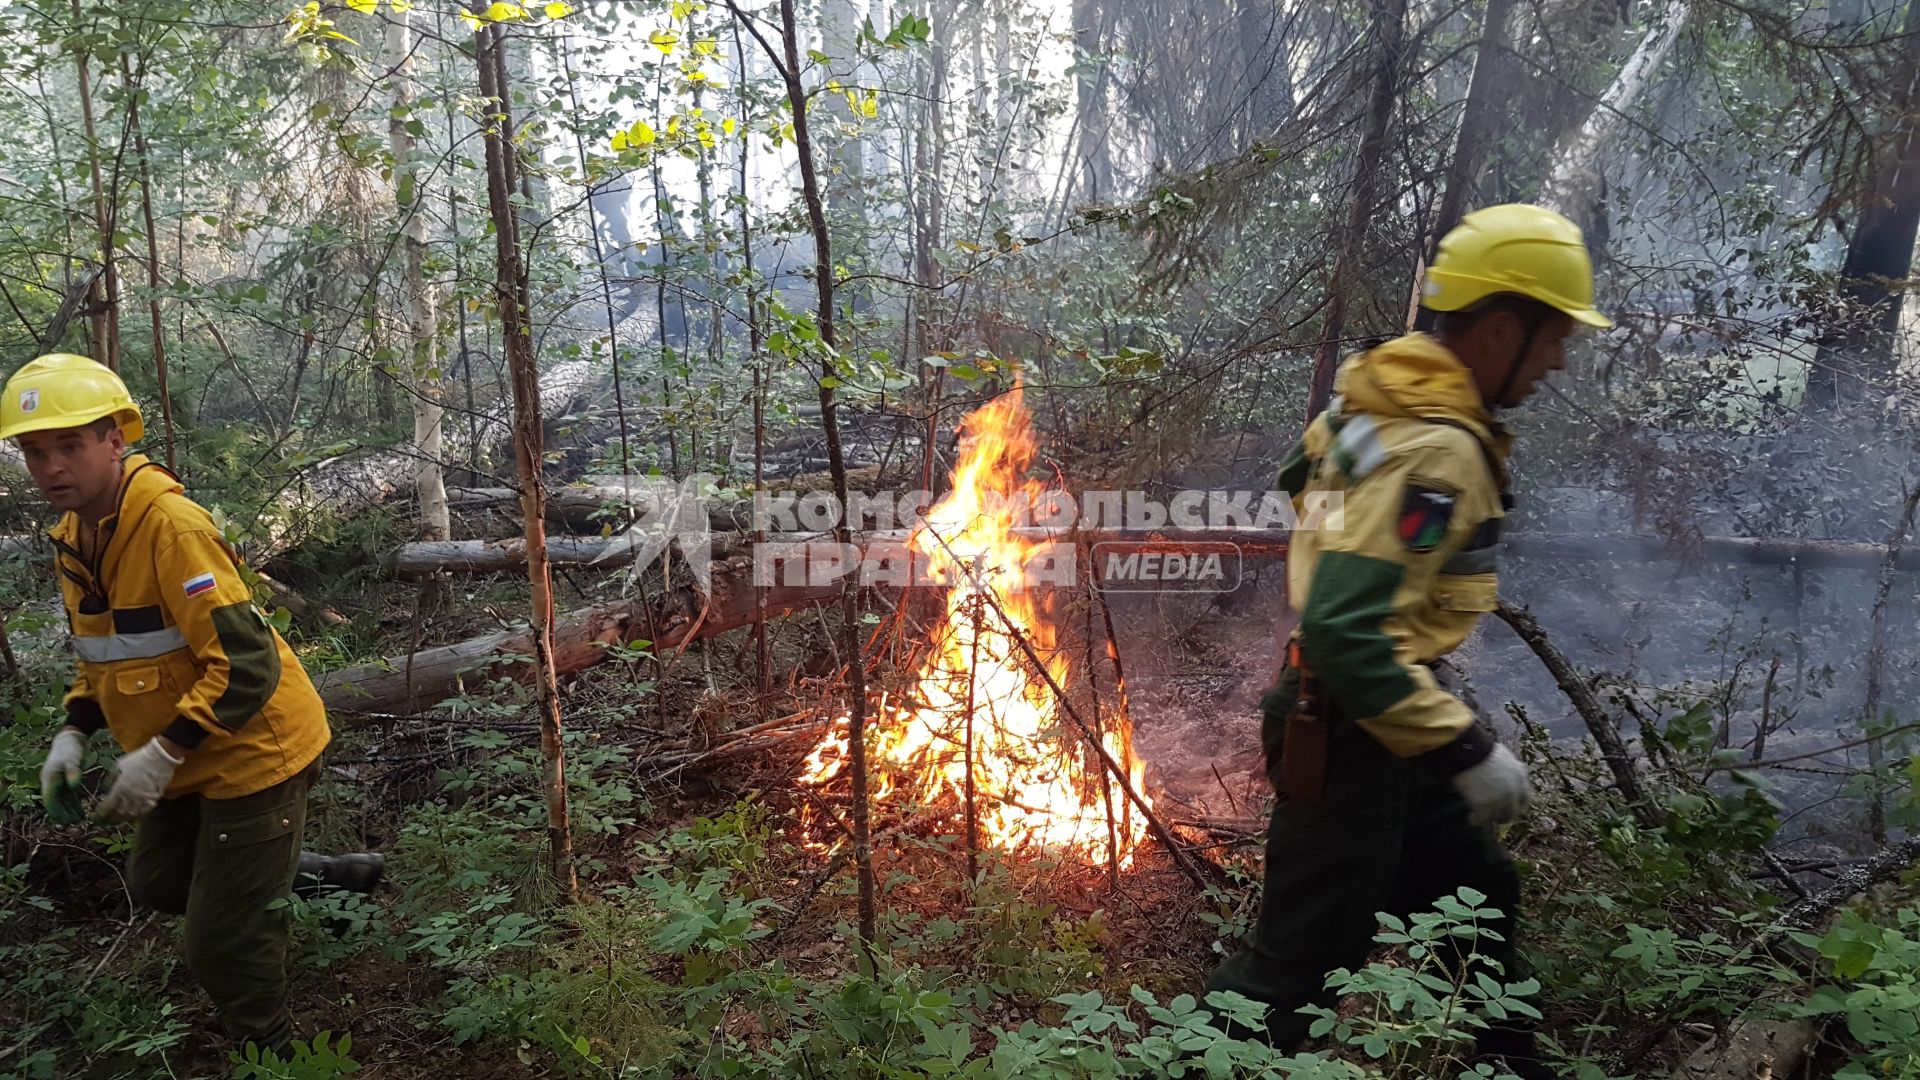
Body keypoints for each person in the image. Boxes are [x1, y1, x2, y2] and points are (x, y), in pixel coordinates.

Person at [1206, 205, 1612, 1073]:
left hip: (1384, 715)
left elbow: (1298, 480)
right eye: (1554, 338)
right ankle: (1192, 1060)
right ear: (1503, 329)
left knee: (1476, 899)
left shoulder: (1378, 402)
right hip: (1355, 719)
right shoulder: (1434, 450)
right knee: (1296, 978)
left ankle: (1506, 1064)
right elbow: (1349, 632)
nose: (1559, 361)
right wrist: (1464, 748)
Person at [8, 353, 383, 1053]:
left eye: (70, 445)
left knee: (221, 945)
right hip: (182, 754)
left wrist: (160, 754)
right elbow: (107, 657)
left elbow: (246, 664)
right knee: (158, 882)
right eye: (35, 452)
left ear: (115, 440)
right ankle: (327, 879)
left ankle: (275, 1058)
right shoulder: (77, 539)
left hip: (252, 753)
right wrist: (73, 732)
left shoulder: (170, 528)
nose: (52, 467)